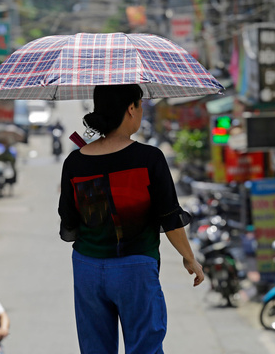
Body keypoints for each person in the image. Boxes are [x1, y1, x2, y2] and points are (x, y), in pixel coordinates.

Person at [58, 84, 205, 354]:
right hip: (135, 268)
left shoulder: (74, 162)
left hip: (87, 268)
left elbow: (68, 222)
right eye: (139, 105)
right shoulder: (149, 158)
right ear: (130, 109)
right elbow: (170, 217)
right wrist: (189, 257)